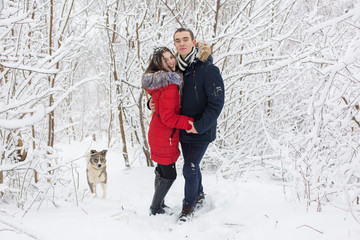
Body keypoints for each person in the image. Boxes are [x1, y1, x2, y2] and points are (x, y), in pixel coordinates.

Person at [173, 28, 225, 222]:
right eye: (177, 40)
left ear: (193, 42)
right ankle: (199, 194)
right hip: (183, 129)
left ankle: (188, 207)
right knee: (192, 166)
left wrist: (200, 125)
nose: (181, 43)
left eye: (185, 39)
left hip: (202, 129)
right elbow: (163, 94)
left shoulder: (208, 69)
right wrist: (149, 103)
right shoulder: (175, 71)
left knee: (190, 167)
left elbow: (217, 102)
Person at [141, 47, 194, 215]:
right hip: (165, 136)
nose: (171, 61)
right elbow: (169, 118)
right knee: (169, 175)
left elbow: (158, 104)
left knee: (161, 171)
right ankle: (155, 208)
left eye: (171, 57)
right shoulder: (169, 85)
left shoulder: (159, 81)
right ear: (159, 64)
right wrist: (190, 122)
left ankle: (159, 204)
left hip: (159, 133)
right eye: (166, 59)